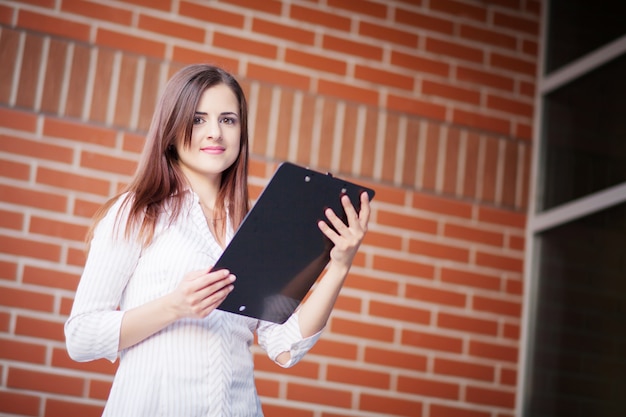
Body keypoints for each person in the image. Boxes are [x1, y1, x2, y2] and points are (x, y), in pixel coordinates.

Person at [64, 64, 371, 416]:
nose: (215, 133)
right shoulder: (136, 212)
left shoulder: (256, 226)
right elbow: (81, 336)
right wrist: (176, 305)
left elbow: (285, 347)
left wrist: (339, 264)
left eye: (228, 120)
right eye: (198, 119)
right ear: (171, 129)